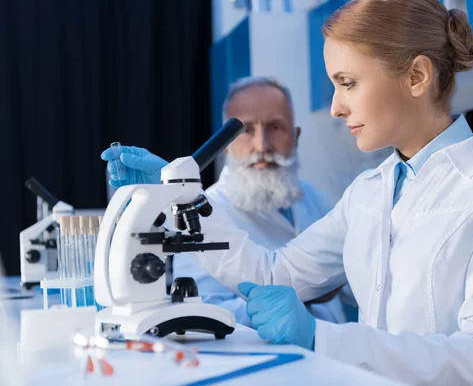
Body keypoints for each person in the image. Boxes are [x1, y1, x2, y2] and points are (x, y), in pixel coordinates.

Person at [104, 0, 473, 384]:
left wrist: (323, 338)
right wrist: (180, 194)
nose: (337, 107)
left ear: (417, 76)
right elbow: (273, 275)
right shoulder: (369, 192)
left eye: (348, 83)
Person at [101, 76, 349, 326]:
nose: (261, 145)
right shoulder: (200, 213)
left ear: (295, 136)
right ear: (225, 145)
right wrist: (302, 295)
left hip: (336, 352)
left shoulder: (317, 200)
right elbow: (201, 310)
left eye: (275, 128)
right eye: (247, 130)